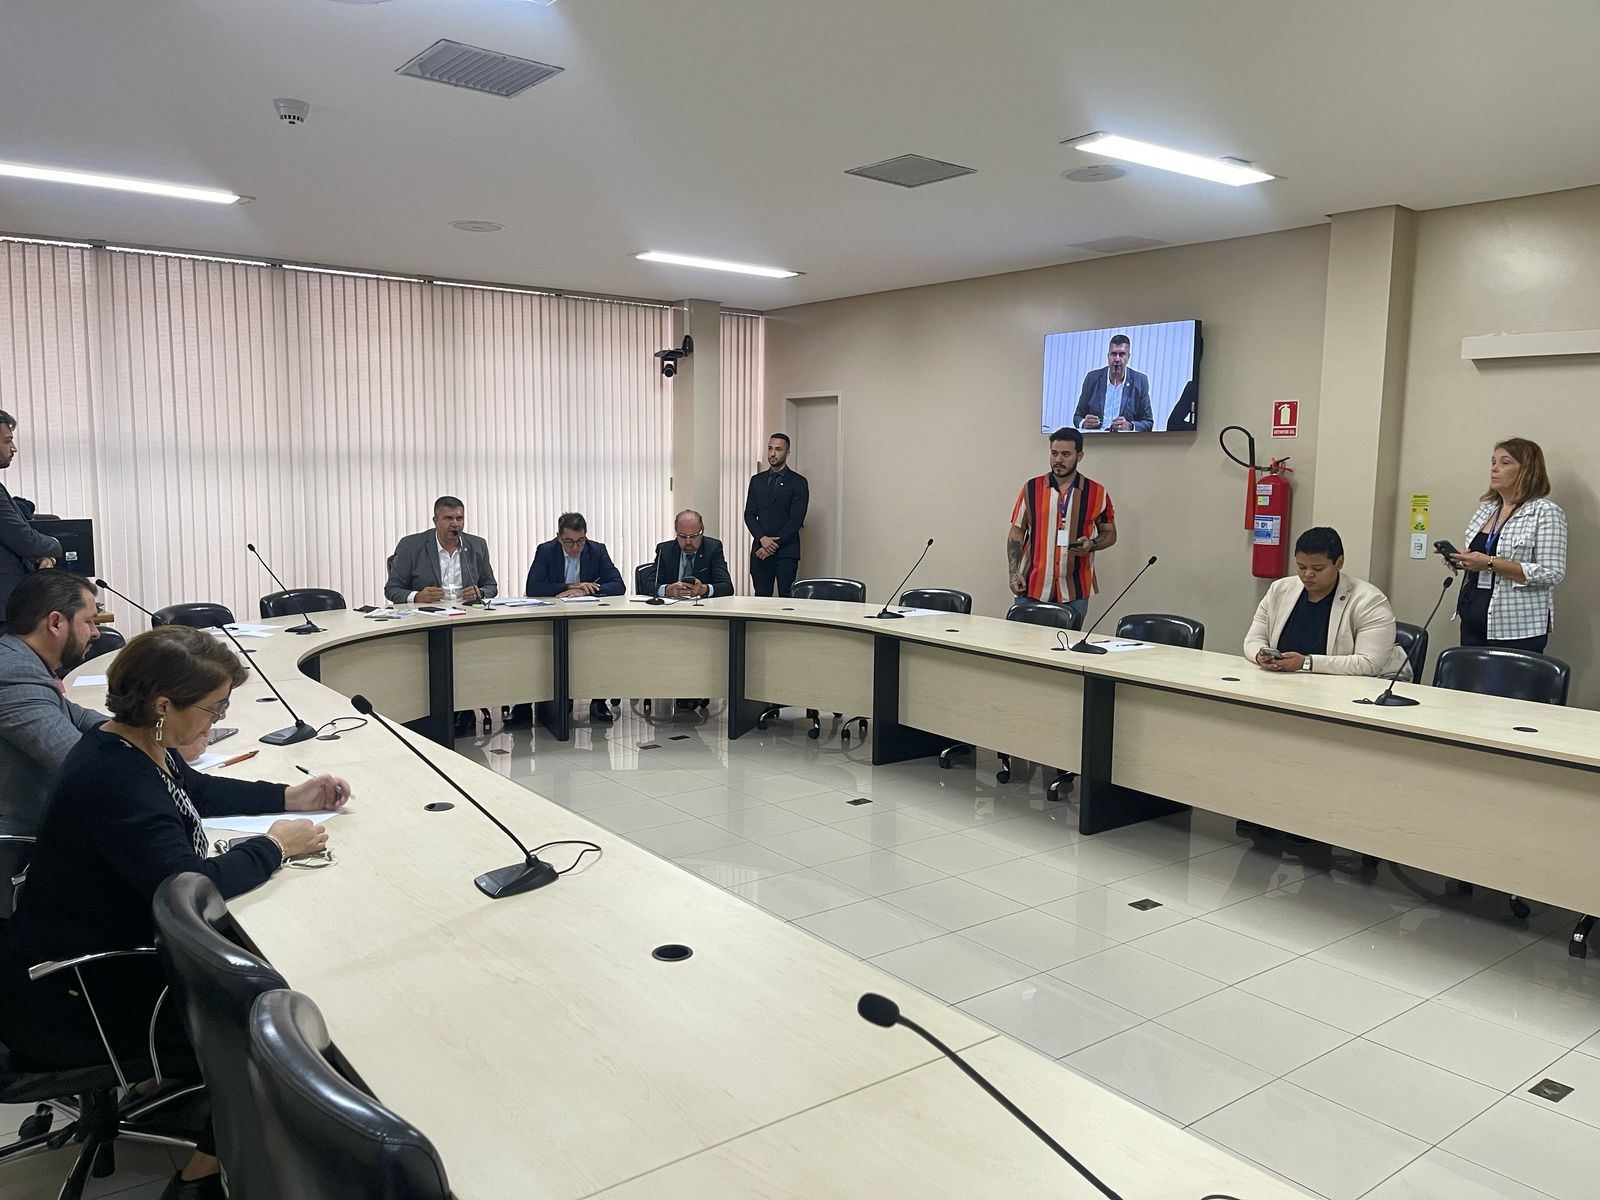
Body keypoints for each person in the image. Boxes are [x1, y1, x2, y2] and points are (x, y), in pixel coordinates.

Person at [0, 625, 349, 1199]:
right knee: (274, 1024)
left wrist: (288, 797)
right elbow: (186, 889)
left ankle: (158, 1088)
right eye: (213, 708)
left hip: (75, 962)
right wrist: (274, 846)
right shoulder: (116, 780)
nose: (217, 720)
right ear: (163, 706)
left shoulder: (129, 743)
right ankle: (202, 1173)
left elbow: (198, 792)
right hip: (75, 999)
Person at [0, 571, 106, 836]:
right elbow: (78, 763)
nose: (95, 633)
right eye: (89, 622)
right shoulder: (13, 671)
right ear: (56, 623)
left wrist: (152, 734)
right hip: (22, 839)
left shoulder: (22, 660)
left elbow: (79, 717)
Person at [1444, 438, 1567, 653]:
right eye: (1493, 462)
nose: (1494, 468)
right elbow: (1482, 557)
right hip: (1473, 616)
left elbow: (1552, 573)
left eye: (1505, 462)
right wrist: (1462, 560)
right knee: (1469, 675)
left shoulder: (1544, 512)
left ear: (1527, 470)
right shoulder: (1487, 508)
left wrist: (1490, 563)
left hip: (1515, 628)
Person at [1243, 527, 1409, 678]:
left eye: (1318, 569)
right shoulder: (1279, 590)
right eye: (1301, 567)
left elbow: (1369, 663)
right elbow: (1254, 638)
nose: (1308, 574)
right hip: (1287, 683)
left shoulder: (1369, 600)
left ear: (1339, 563)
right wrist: (1260, 656)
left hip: (1354, 688)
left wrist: (1307, 663)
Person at [1007, 427, 1117, 625]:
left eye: (1066, 454)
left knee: (1066, 642)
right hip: (1031, 586)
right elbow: (1016, 532)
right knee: (1023, 641)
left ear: (1080, 456)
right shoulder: (1031, 488)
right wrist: (1013, 573)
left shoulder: (1096, 492)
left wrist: (1092, 544)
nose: (1058, 459)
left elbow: (1110, 533)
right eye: (1054, 453)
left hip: (1075, 589)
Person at [526, 513, 625, 723]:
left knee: (599, 648)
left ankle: (599, 700)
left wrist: (587, 591)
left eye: (580, 541)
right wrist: (570, 586)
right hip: (555, 617)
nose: (575, 548)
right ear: (559, 537)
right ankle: (560, 699)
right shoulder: (546, 551)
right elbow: (533, 587)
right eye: (569, 542)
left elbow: (618, 585)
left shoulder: (597, 550)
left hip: (589, 618)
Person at [0, 410, 63, 627]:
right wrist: (54, 545)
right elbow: (24, 540)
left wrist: (45, 557)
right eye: (7, 441)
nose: (13, 448)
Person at [384, 496, 499, 605]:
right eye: (448, 518)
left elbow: (491, 586)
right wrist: (417, 597)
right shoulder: (411, 546)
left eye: (459, 518)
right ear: (435, 521)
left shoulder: (477, 545)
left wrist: (481, 593)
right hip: (428, 612)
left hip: (468, 612)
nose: (455, 524)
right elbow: (392, 589)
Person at [743, 433, 809, 597]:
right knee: (761, 598)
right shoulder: (757, 480)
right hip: (760, 549)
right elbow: (749, 514)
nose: (773, 454)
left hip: (786, 551)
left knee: (786, 598)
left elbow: (796, 520)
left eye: (778, 449)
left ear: (787, 452)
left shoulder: (798, 482)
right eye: (770, 448)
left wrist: (772, 546)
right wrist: (762, 539)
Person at [1073, 335, 1153, 433]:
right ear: (1108, 356)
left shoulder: (1140, 381)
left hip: (1123, 440)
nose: (1117, 359)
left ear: (1128, 357)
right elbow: (1077, 417)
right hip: (1096, 438)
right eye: (1113, 354)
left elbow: (1148, 423)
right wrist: (1083, 423)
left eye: (1122, 354)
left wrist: (1130, 426)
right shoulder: (1092, 378)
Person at [650, 510, 734, 601]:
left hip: (703, 607)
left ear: (702, 531)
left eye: (693, 536)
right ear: (676, 532)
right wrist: (667, 590)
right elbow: (648, 585)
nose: (688, 542)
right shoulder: (665, 550)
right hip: (672, 607)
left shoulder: (712, 548)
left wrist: (704, 589)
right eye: (682, 536)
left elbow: (727, 587)